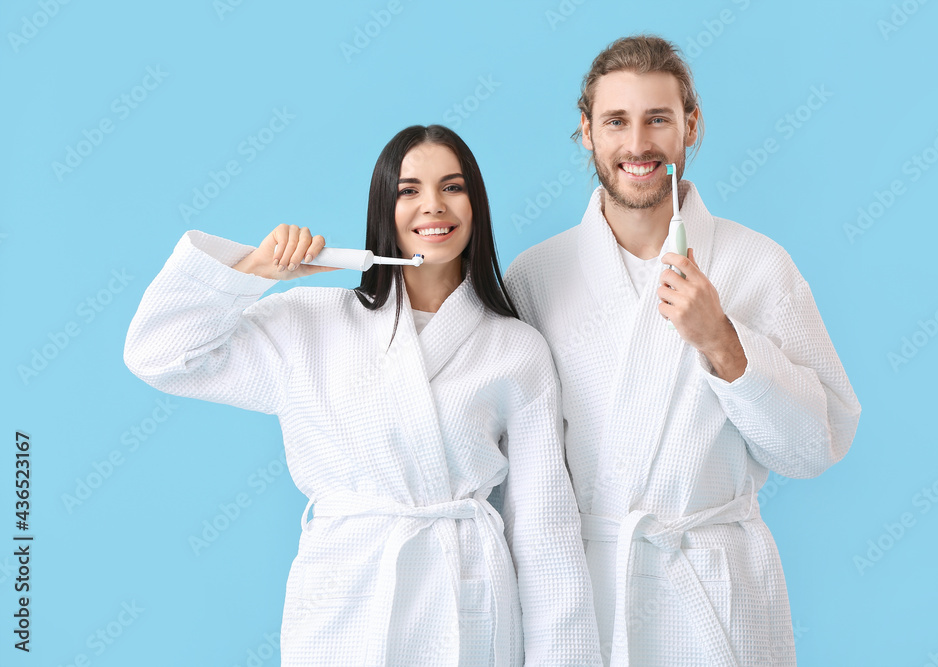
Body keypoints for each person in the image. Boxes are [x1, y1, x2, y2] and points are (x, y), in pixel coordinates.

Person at [124, 125, 602, 666]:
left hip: (463, 603)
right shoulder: (310, 322)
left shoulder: (516, 350)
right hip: (343, 602)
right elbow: (159, 354)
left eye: (453, 187)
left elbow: (545, 532)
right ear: (383, 207)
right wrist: (258, 272)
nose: (433, 207)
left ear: (476, 204)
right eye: (409, 191)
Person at [504, 36, 862, 666]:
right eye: (616, 121)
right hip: (587, 601)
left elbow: (816, 446)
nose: (637, 144)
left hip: (713, 599)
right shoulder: (538, 276)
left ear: (690, 126)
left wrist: (721, 340)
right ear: (586, 132)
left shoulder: (758, 265)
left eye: (658, 119)